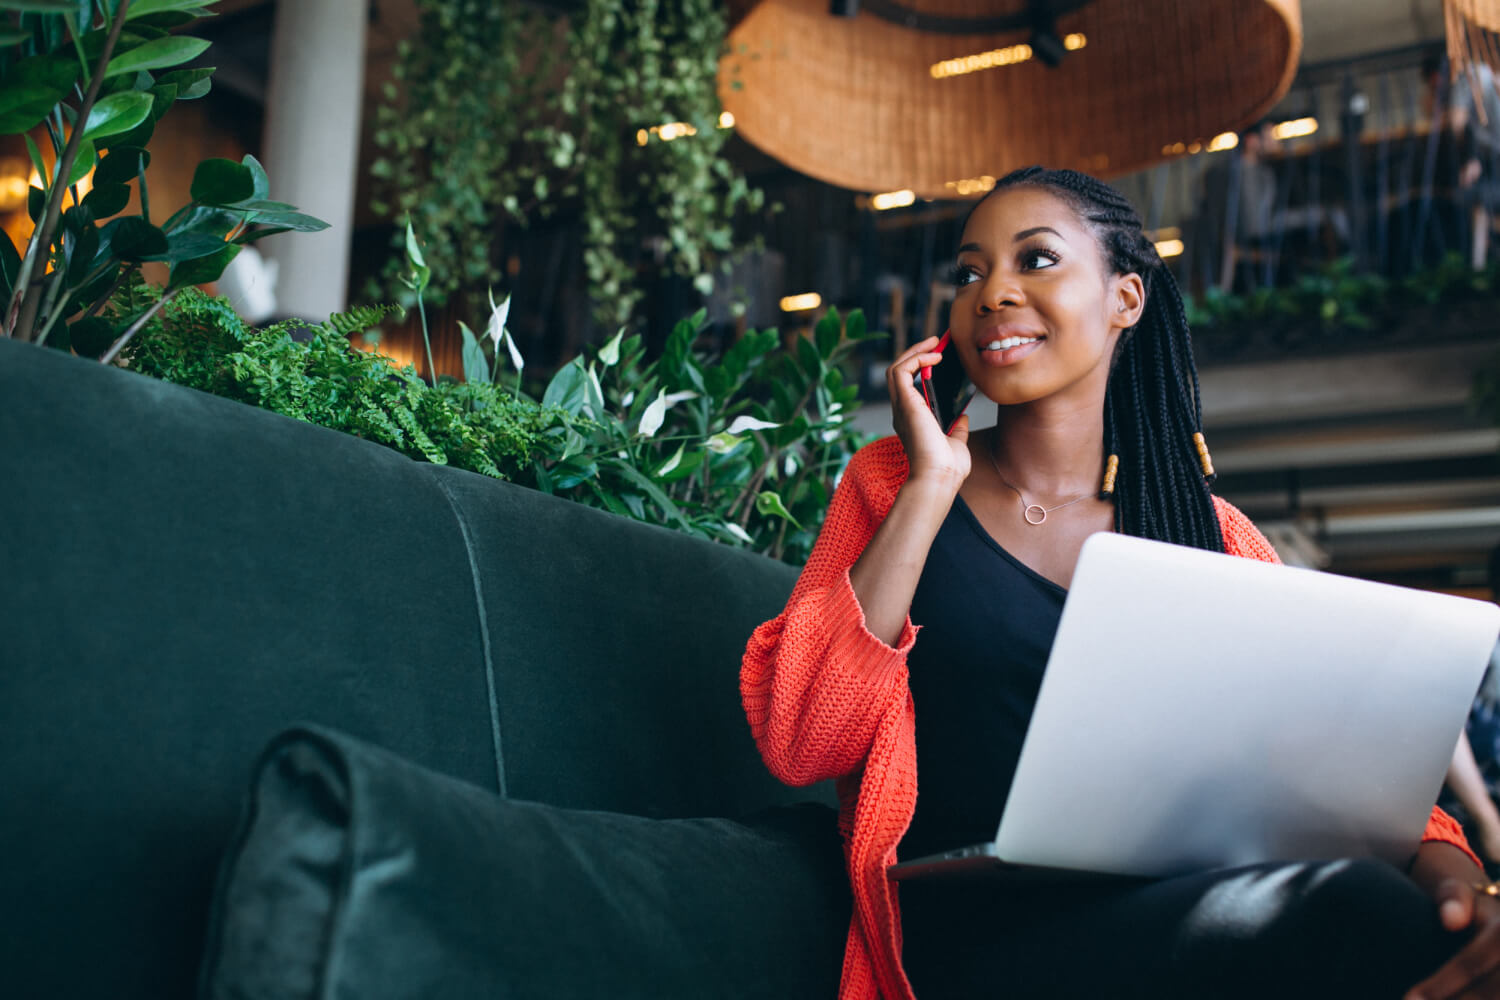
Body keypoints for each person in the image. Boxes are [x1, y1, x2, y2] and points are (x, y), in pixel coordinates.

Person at [740, 166, 1495, 1000]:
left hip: (1169, 910)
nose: (992, 292)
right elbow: (802, 739)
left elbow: (1337, 773)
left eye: (1035, 260)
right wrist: (929, 490)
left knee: (1405, 922)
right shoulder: (893, 485)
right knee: (1350, 913)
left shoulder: (1210, 534)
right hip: (968, 941)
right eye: (969, 271)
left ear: (1126, 299)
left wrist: (1452, 874)